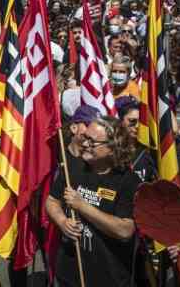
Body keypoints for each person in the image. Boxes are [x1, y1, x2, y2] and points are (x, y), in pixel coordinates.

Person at [46, 116, 139, 287]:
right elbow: (52, 201)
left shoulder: (128, 181)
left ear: (113, 147)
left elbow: (125, 230)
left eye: (92, 141)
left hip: (108, 277)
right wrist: (62, 221)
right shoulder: (73, 167)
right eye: (85, 137)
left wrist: (82, 206)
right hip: (69, 272)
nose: (85, 144)